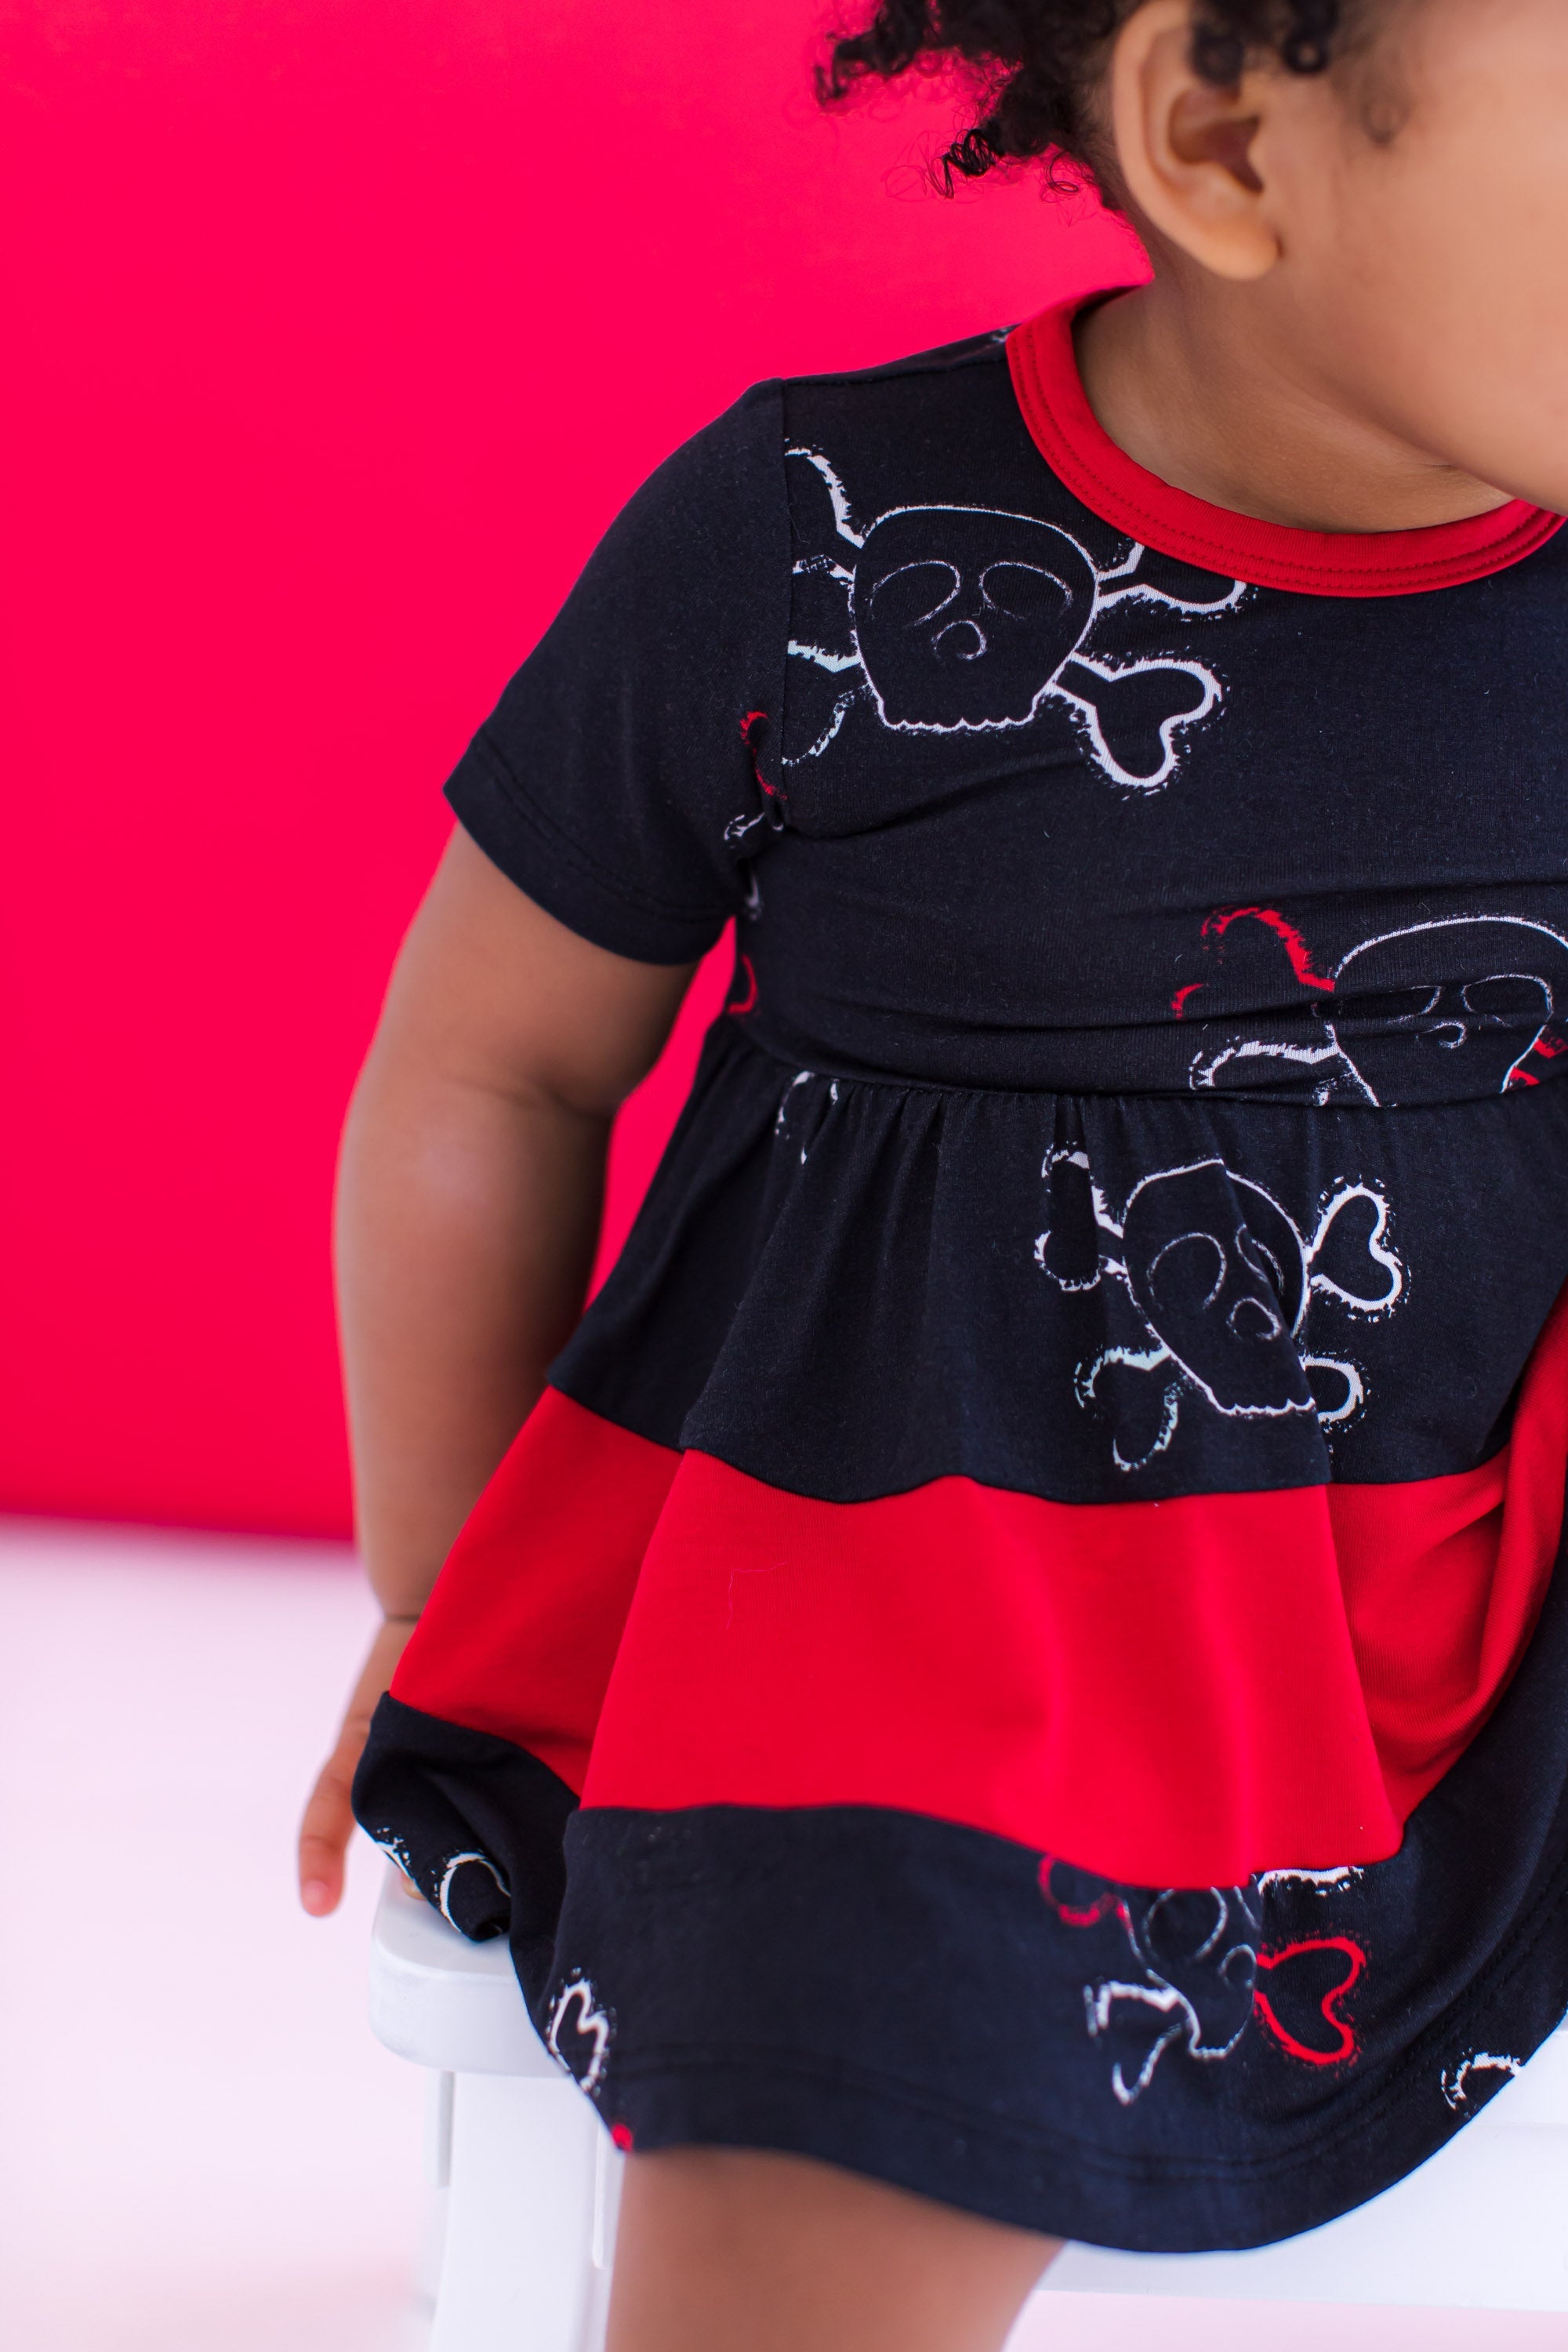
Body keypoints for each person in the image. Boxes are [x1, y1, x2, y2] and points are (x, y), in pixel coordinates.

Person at [300, 4, 1568, 2345]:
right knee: (844, 2015)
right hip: (931, 1604)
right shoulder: (812, 541)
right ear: (1222, 135)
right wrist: (432, 1592)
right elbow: (498, 1071)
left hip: (1479, 1614)